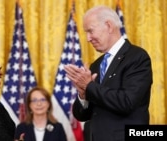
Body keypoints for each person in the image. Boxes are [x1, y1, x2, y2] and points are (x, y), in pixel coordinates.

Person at [64, 5, 153, 141]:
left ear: (109, 26)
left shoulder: (137, 57)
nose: (88, 38)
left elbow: (127, 102)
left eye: (90, 31)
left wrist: (89, 86)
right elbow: (82, 115)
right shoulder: (96, 65)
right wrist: (83, 95)